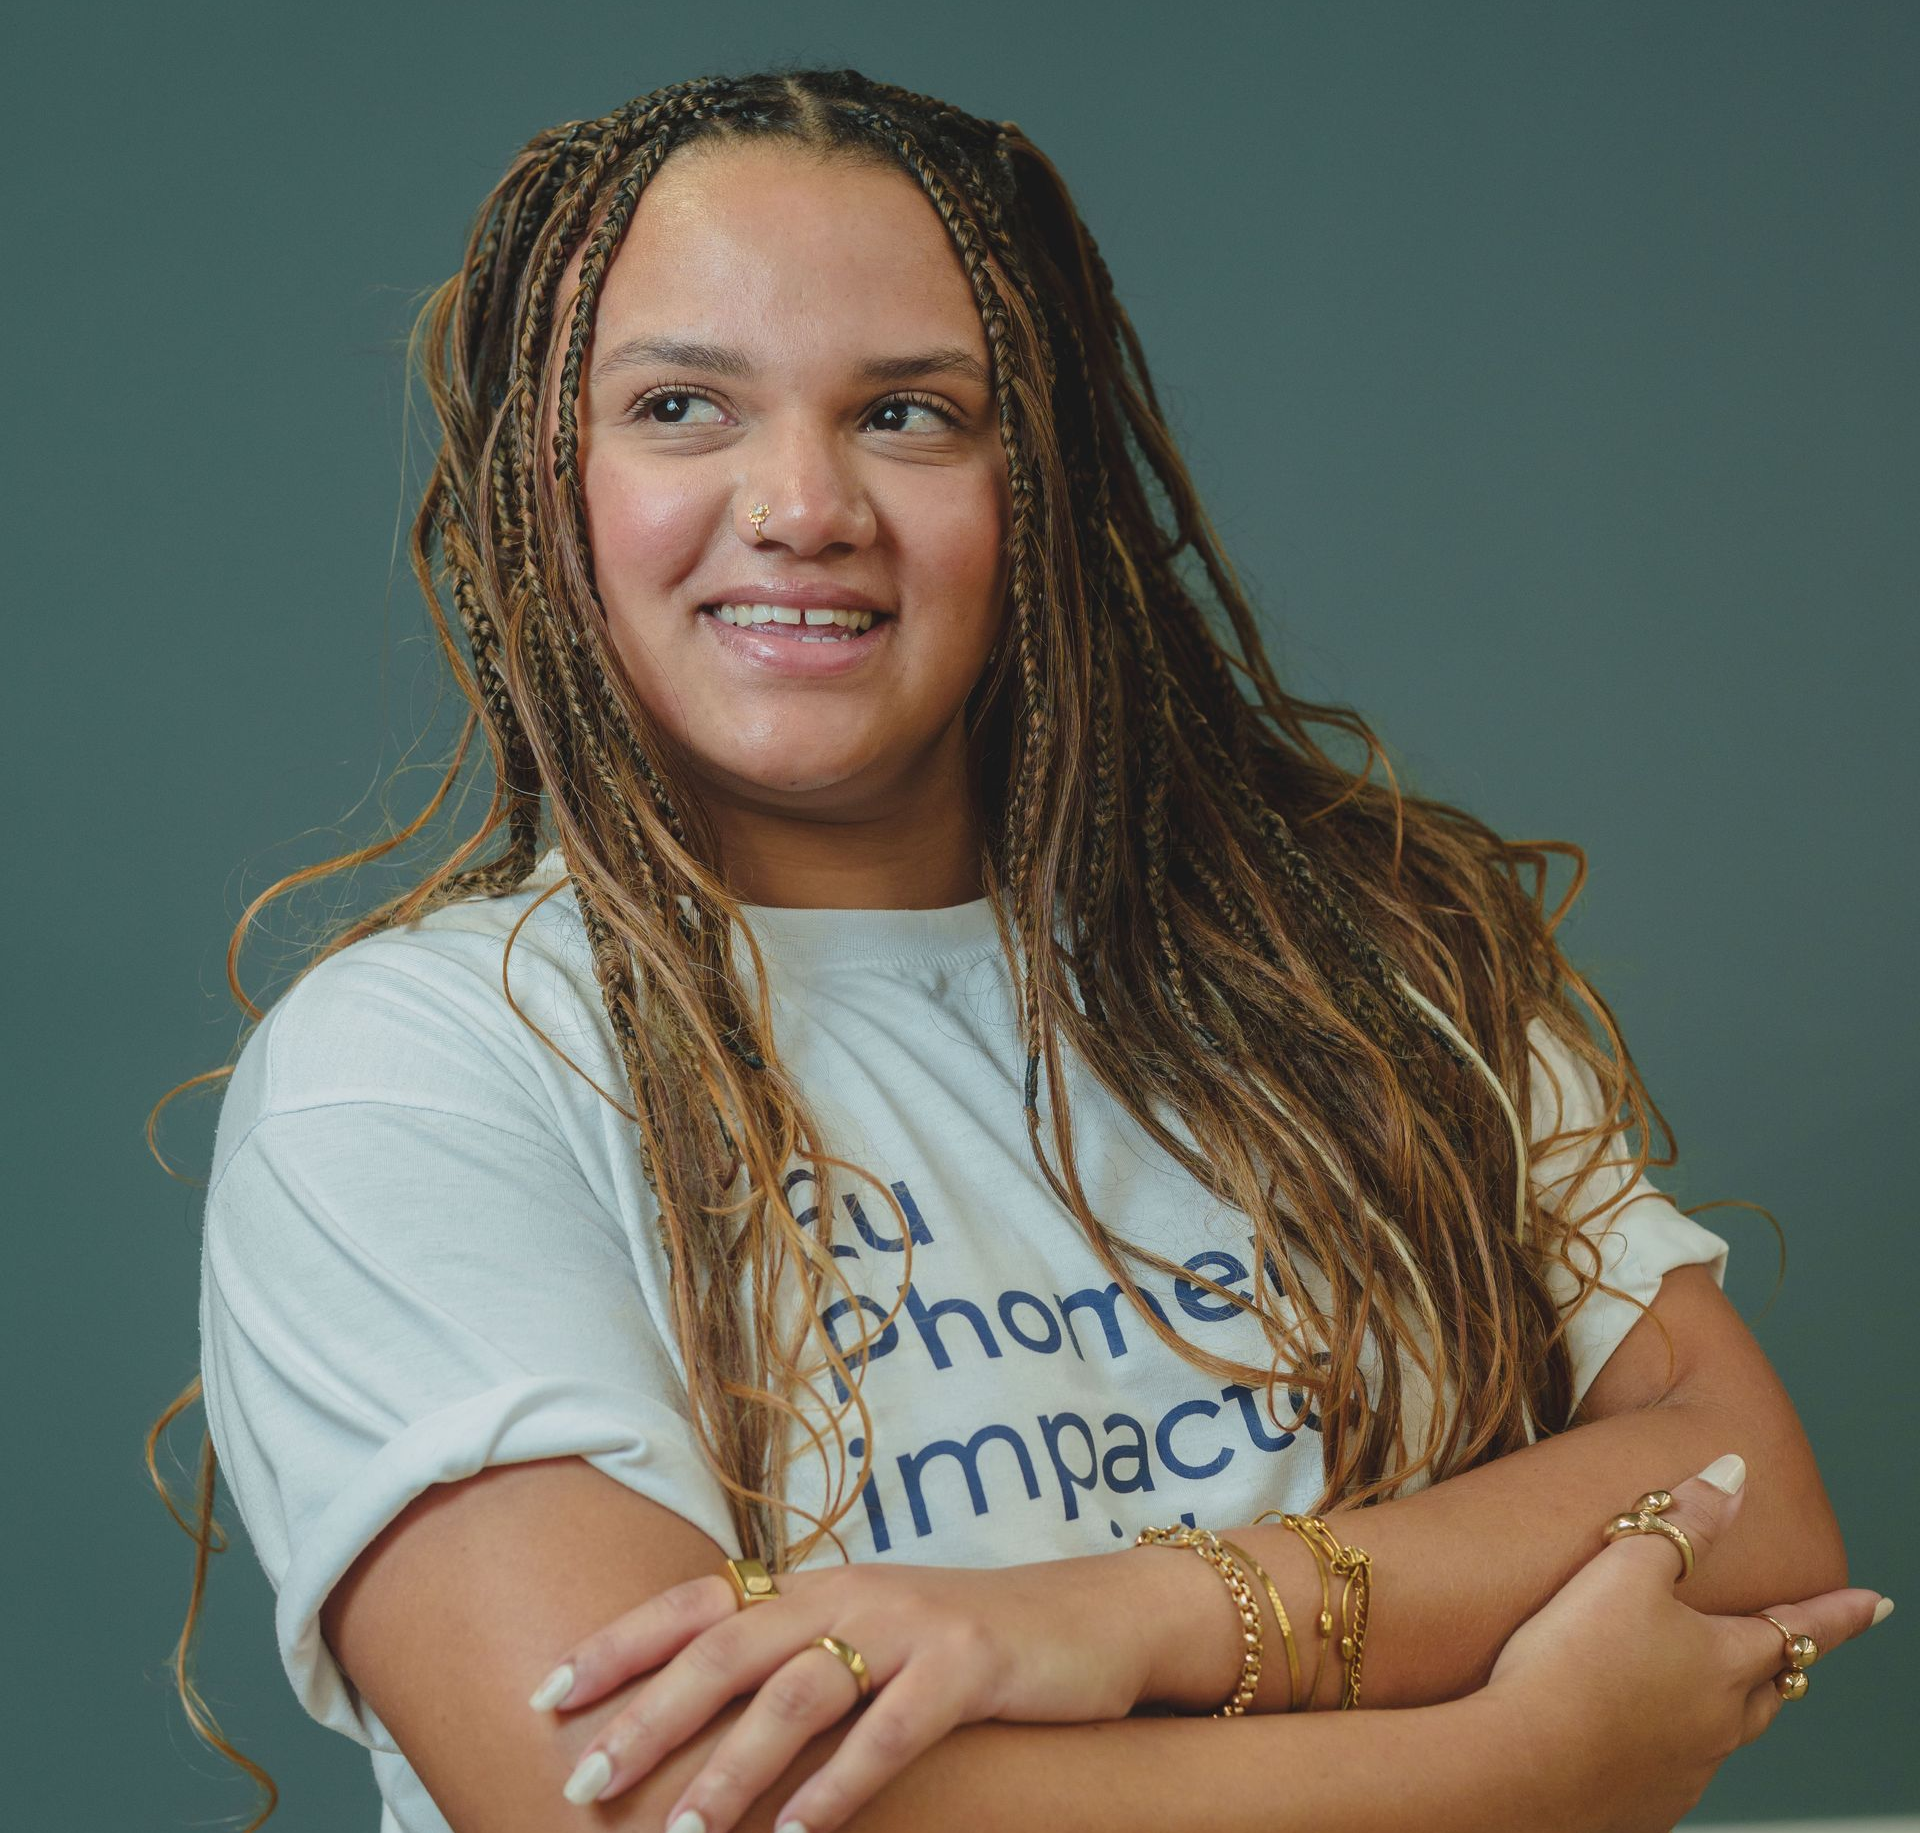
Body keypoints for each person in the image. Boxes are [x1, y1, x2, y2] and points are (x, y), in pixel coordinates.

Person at [154, 65, 1890, 1833]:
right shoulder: (425, 1071)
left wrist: (1096, 1626)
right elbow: (651, 1805)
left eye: (909, 414)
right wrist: (1522, 1766)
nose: (803, 505)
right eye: (682, 405)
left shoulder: (1367, 962)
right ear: (550, 484)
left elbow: (1748, 1495)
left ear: (1039, 481)